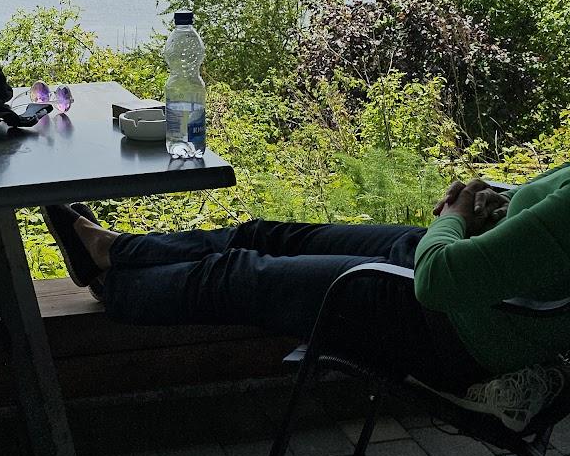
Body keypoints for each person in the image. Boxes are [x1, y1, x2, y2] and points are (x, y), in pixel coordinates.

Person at [43, 165, 570, 430]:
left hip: (447, 326)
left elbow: (439, 281)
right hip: (460, 280)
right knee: (266, 235)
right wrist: (498, 202)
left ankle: (117, 286)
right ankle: (114, 250)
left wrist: (453, 216)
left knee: (241, 275)